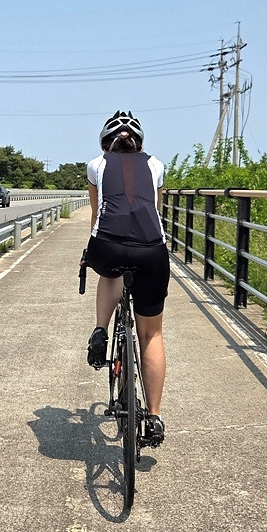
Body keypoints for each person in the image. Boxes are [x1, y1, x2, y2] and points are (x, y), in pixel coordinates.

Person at [82, 110, 169, 447]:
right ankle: (154, 416)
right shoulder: (156, 165)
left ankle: (100, 330)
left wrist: (88, 252)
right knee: (151, 334)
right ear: (139, 144)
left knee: (109, 271)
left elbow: (97, 213)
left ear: (106, 143)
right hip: (152, 250)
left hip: (107, 246)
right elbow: (154, 211)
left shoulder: (96, 165)